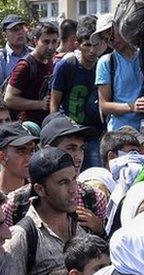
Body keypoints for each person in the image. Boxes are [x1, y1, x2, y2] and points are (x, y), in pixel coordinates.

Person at [0, 147, 88, 275]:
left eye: (74, 179)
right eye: (63, 183)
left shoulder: (79, 225)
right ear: (40, 189)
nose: (73, 189)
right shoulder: (22, 236)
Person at [50, 19, 104, 168]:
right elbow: (54, 102)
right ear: (77, 43)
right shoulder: (66, 66)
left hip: (93, 134)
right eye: (87, 45)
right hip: (69, 133)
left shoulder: (103, 65)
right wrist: (57, 131)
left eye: (96, 45)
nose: (92, 50)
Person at [97, 19, 144, 131]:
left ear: (121, 28)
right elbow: (104, 106)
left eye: (112, 35)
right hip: (120, 131)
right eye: (106, 39)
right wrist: (132, 107)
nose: (111, 41)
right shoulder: (106, 61)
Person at [5, 22, 59, 125]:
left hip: (47, 123)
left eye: (54, 41)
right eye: (46, 42)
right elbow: (9, 99)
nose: (51, 47)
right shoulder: (25, 66)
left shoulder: (51, 61)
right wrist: (40, 104)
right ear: (35, 41)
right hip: (28, 126)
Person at [0, 121, 39, 197]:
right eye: (22, 152)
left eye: (32, 150)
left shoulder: (40, 192)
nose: (30, 158)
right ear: (2, 158)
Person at [0, 15, 33, 90]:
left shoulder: (33, 53)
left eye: (22, 28)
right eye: (15, 30)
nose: (20, 33)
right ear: (5, 35)